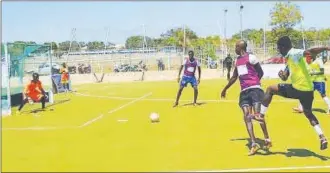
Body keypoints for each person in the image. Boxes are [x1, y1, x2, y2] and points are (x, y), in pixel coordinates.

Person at [259, 36, 329, 150]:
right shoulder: (289, 58)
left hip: (297, 89)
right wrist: (282, 75)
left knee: (270, 89)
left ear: (283, 47)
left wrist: (326, 47)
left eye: (278, 48)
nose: (278, 50)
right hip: (308, 91)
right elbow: (285, 78)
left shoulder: (294, 53)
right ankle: (322, 137)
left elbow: (310, 51)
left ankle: (260, 115)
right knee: (308, 113)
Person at [221, 40, 271, 155]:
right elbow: (234, 77)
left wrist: (255, 82)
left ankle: (267, 138)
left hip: (255, 90)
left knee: (258, 116)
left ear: (240, 47)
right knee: (246, 116)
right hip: (244, 92)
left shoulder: (252, 58)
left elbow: (260, 72)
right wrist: (225, 88)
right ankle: (253, 144)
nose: (234, 49)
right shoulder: (237, 61)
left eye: (235, 47)